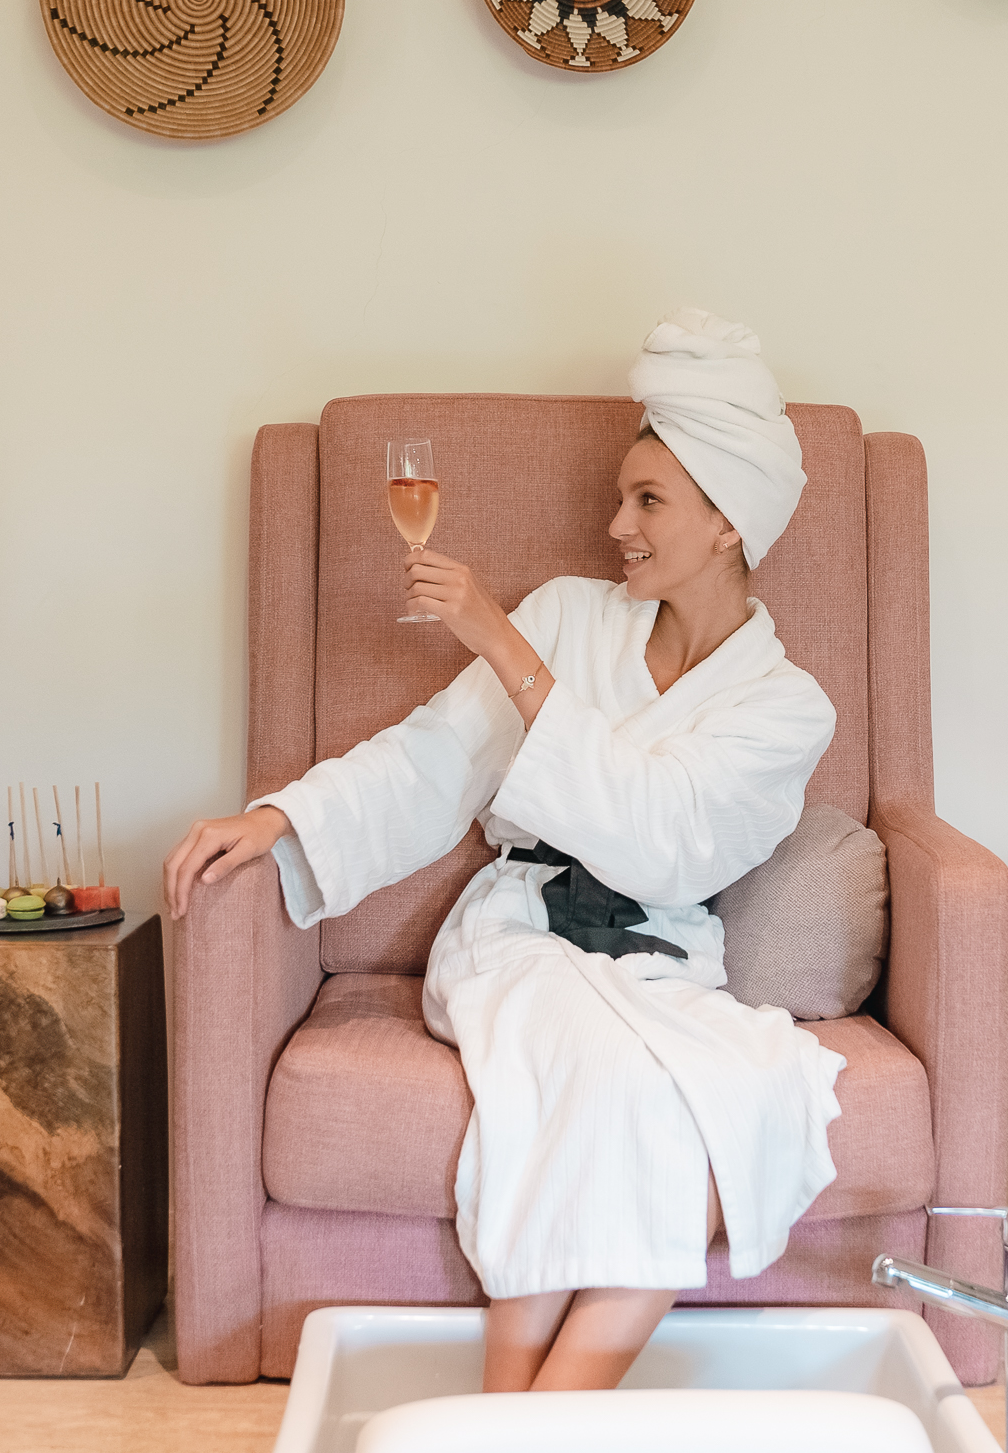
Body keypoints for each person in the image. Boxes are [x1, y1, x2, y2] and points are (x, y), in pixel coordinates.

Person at [166, 310, 840, 1396]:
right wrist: (281, 818)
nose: (614, 522)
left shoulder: (784, 705)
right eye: (621, 494)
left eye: (647, 500)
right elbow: (433, 759)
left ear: (728, 523)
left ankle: (517, 1427)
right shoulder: (572, 615)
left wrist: (492, 630)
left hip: (662, 957)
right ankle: (536, 1435)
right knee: (607, 1074)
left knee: (718, 1090)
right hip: (519, 934)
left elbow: (664, 838)